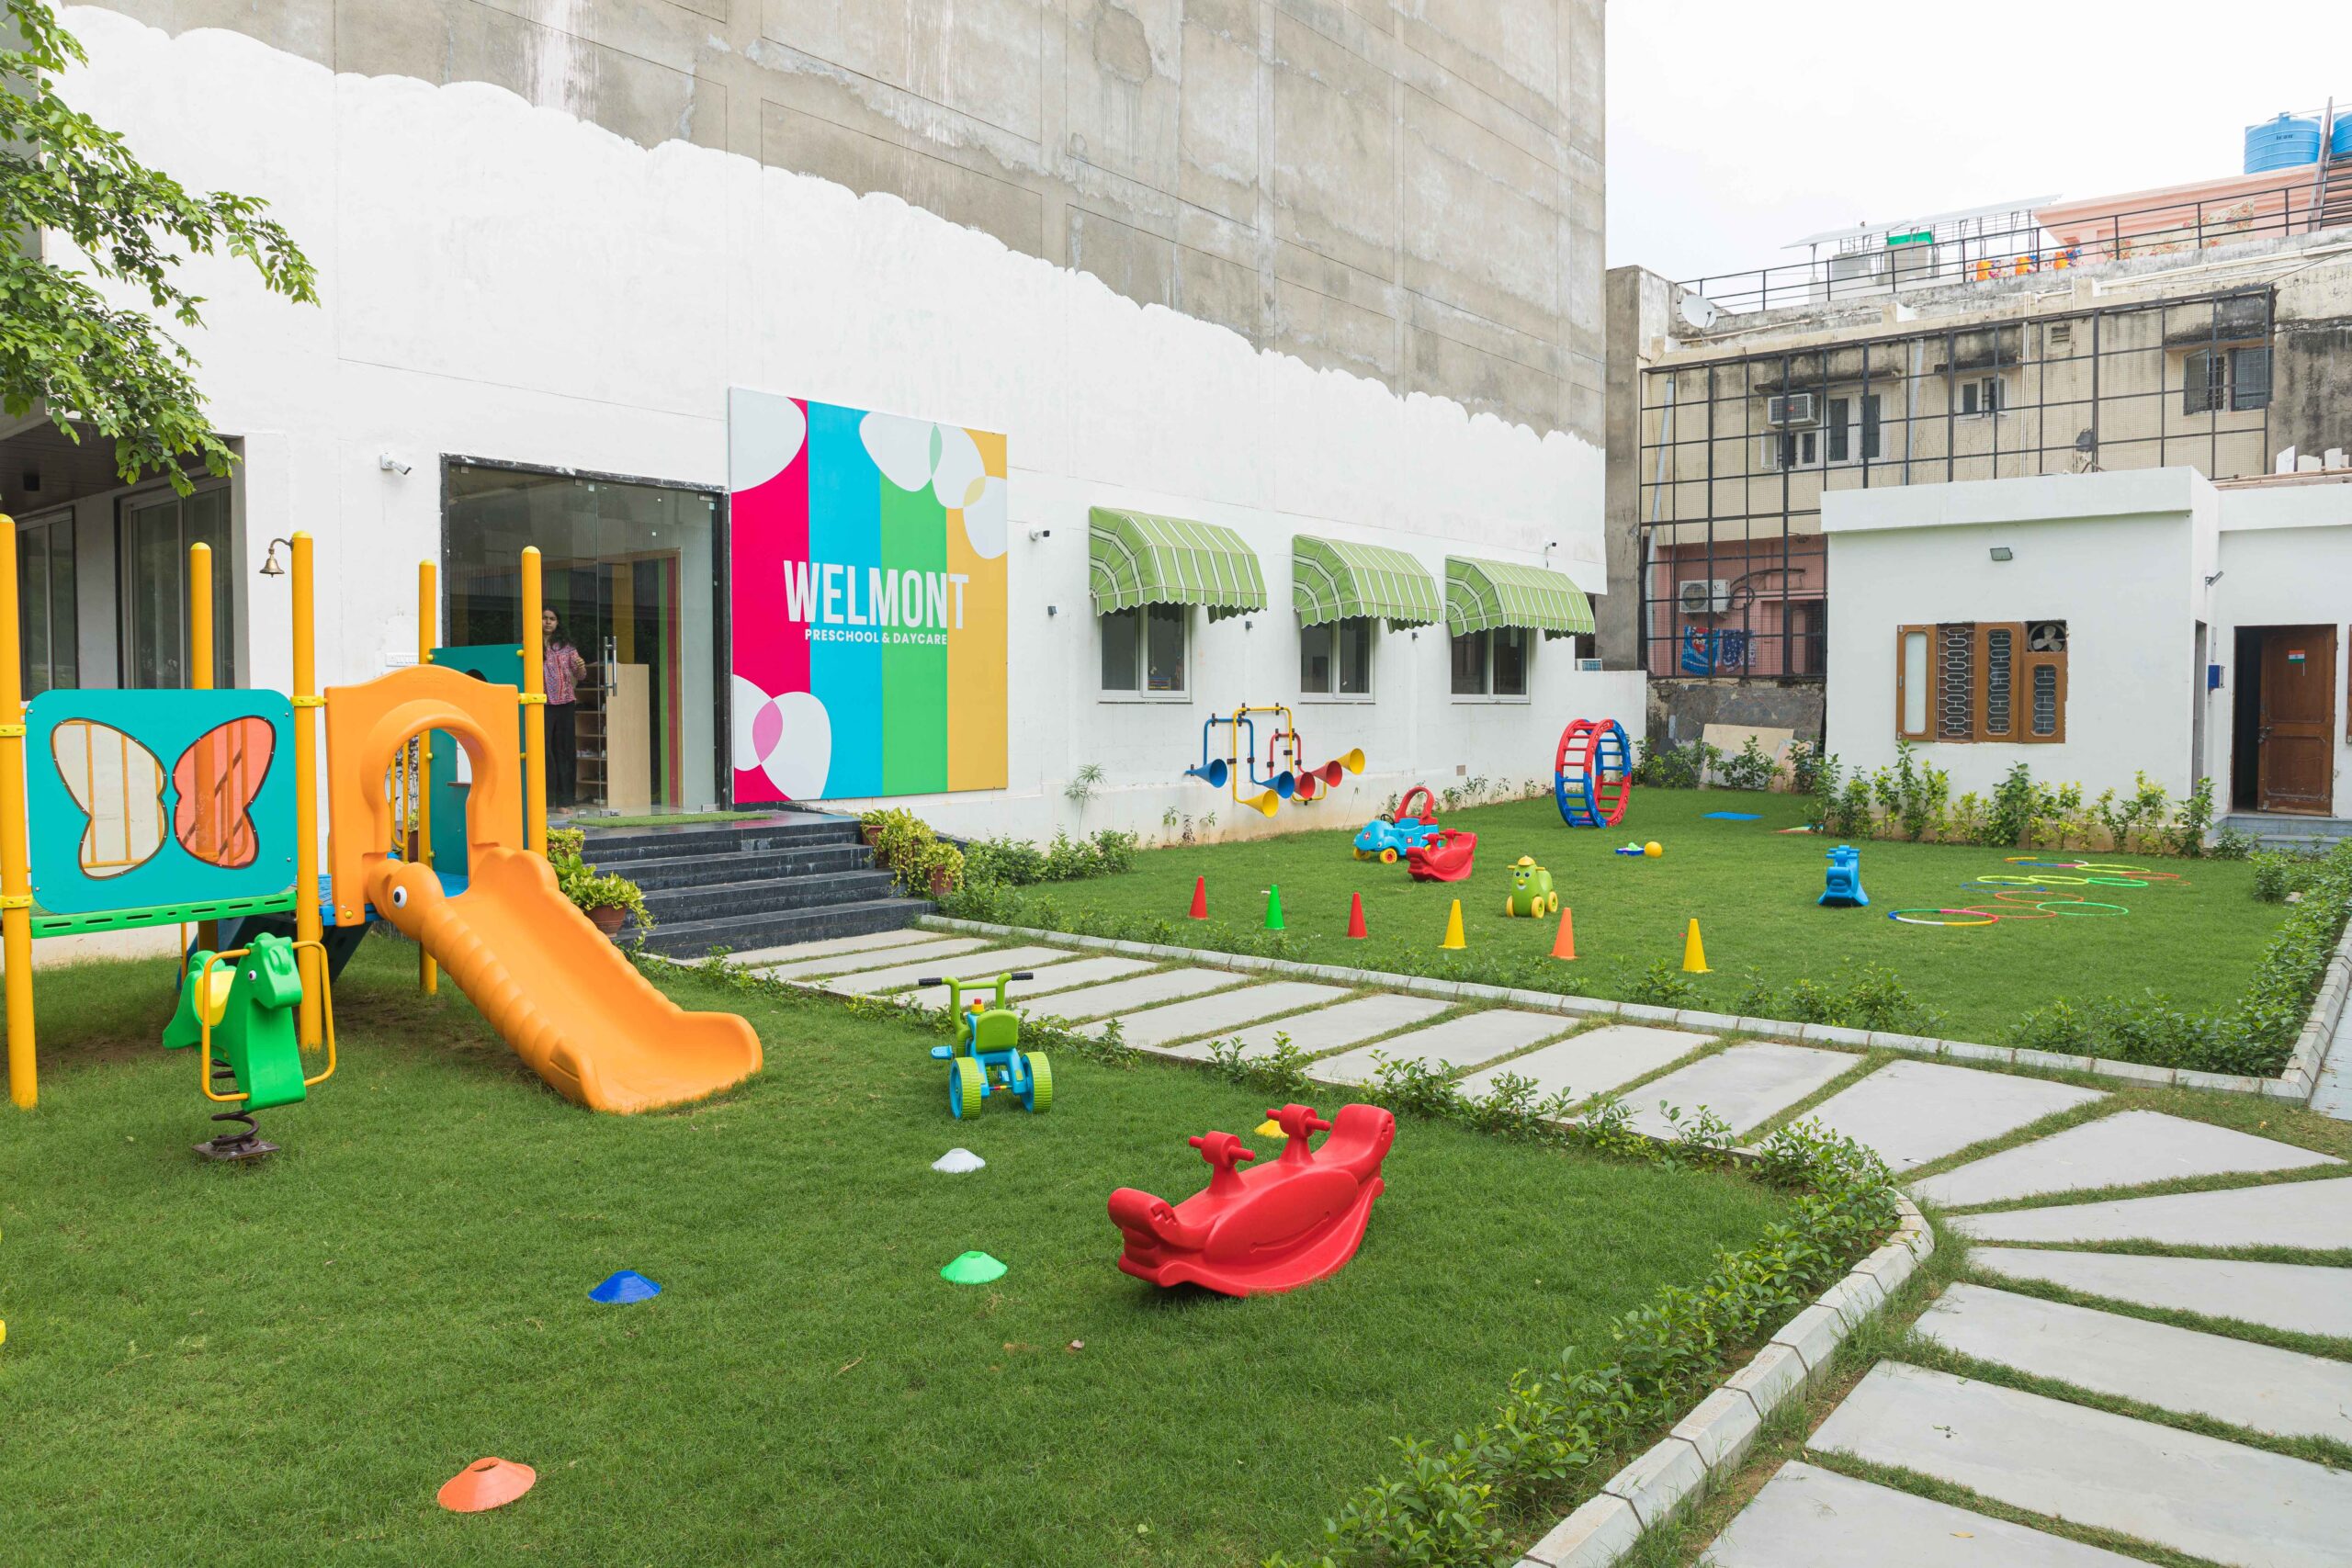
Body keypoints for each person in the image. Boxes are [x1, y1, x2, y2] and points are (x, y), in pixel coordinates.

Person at [543, 609, 589, 807]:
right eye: (544, 618)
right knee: (543, 751)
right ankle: (544, 800)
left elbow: (581, 675)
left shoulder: (567, 647)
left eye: (552, 619)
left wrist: (581, 665)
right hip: (541, 703)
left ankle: (564, 801)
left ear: (557, 623)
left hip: (565, 702)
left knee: (564, 750)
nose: (548, 622)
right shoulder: (528, 644)